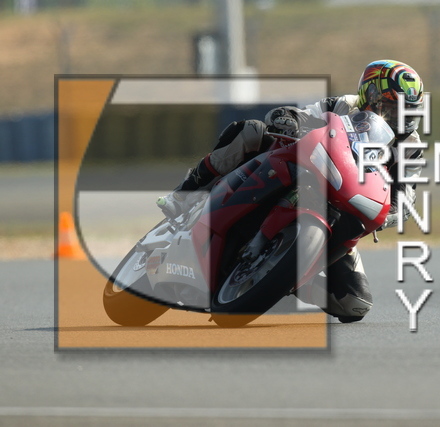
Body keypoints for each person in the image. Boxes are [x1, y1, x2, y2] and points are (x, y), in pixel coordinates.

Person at [157, 60, 425, 323]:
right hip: (306, 171)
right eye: (392, 108)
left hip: (344, 205)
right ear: (370, 96)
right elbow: (303, 115)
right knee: (251, 131)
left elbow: (405, 199)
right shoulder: (342, 105)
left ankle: (286, 273)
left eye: (409, 111)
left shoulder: (411, 149)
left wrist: (388, 213)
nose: (401, 118)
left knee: (354, 304)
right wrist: (288, 119)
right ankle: (185, 193)